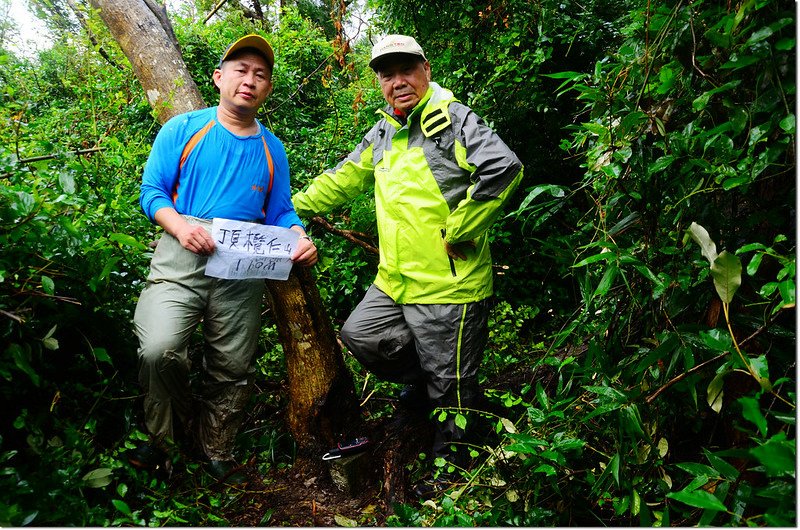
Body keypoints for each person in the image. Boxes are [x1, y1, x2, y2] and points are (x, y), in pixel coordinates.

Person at [291, 34, 523, 498]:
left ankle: (454, 471)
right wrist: (285, 212)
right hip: (394, 281)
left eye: (406, 70)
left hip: (446, 285)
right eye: (386, 74)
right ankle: (425, 387)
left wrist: (460, 229)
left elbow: (505, 168)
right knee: (362, 336)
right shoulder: (384, 131)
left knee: (452, 391)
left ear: (426, 70)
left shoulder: (452, 121)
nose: (397, 82)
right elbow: (343, 178)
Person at [131, 34, 318, 485]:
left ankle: (217, 450)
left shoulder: (273, 149)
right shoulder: (184, 128)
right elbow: (152, 192)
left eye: (260, 75)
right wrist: (179, 226)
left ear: (267, 87)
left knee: (232, 366)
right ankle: (166, 444)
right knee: (159, 350)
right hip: (181, 260)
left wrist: (297, 234)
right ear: (219, 77)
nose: (249, 81)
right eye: (240, 70)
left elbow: (280, 210)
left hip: (242, 267)